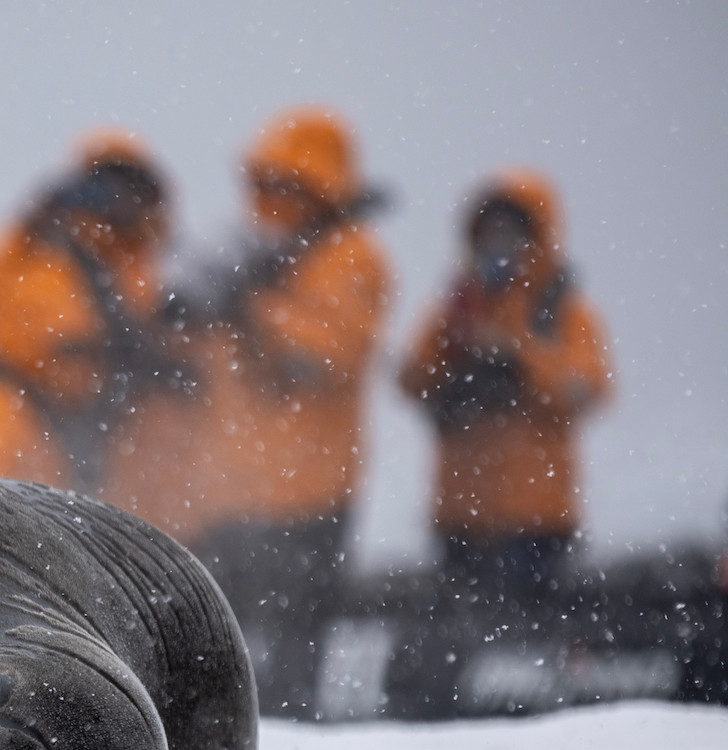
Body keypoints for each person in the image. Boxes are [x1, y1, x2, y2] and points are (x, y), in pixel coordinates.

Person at [178, 107, 392, 716]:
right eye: (265, 183)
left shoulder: (352, 257)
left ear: (319, 187)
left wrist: (249, 306)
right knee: (218, 659)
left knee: (292, 660)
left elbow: (331, 352)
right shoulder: (254, 256)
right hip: (230, 492)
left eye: (286, 185)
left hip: (311, 495)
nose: (270, 198)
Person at [398, 170, 612, 638]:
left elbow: (589, 388)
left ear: (536, 239)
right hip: (460, 517)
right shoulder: (456, 308)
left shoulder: (563, 312)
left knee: (526, 647)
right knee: (459, 645)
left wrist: (518, 359)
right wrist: (455, 350)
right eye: (489, 233)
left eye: (511, 233)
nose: (499, 246)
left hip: (537, 521)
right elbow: (410, 379)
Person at [0, 129, 192, 503]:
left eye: (127, 187)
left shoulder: (164, 270)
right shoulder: (38, 253)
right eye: (100, 184)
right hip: (43, 410)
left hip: (117, 419)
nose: (113, 199)